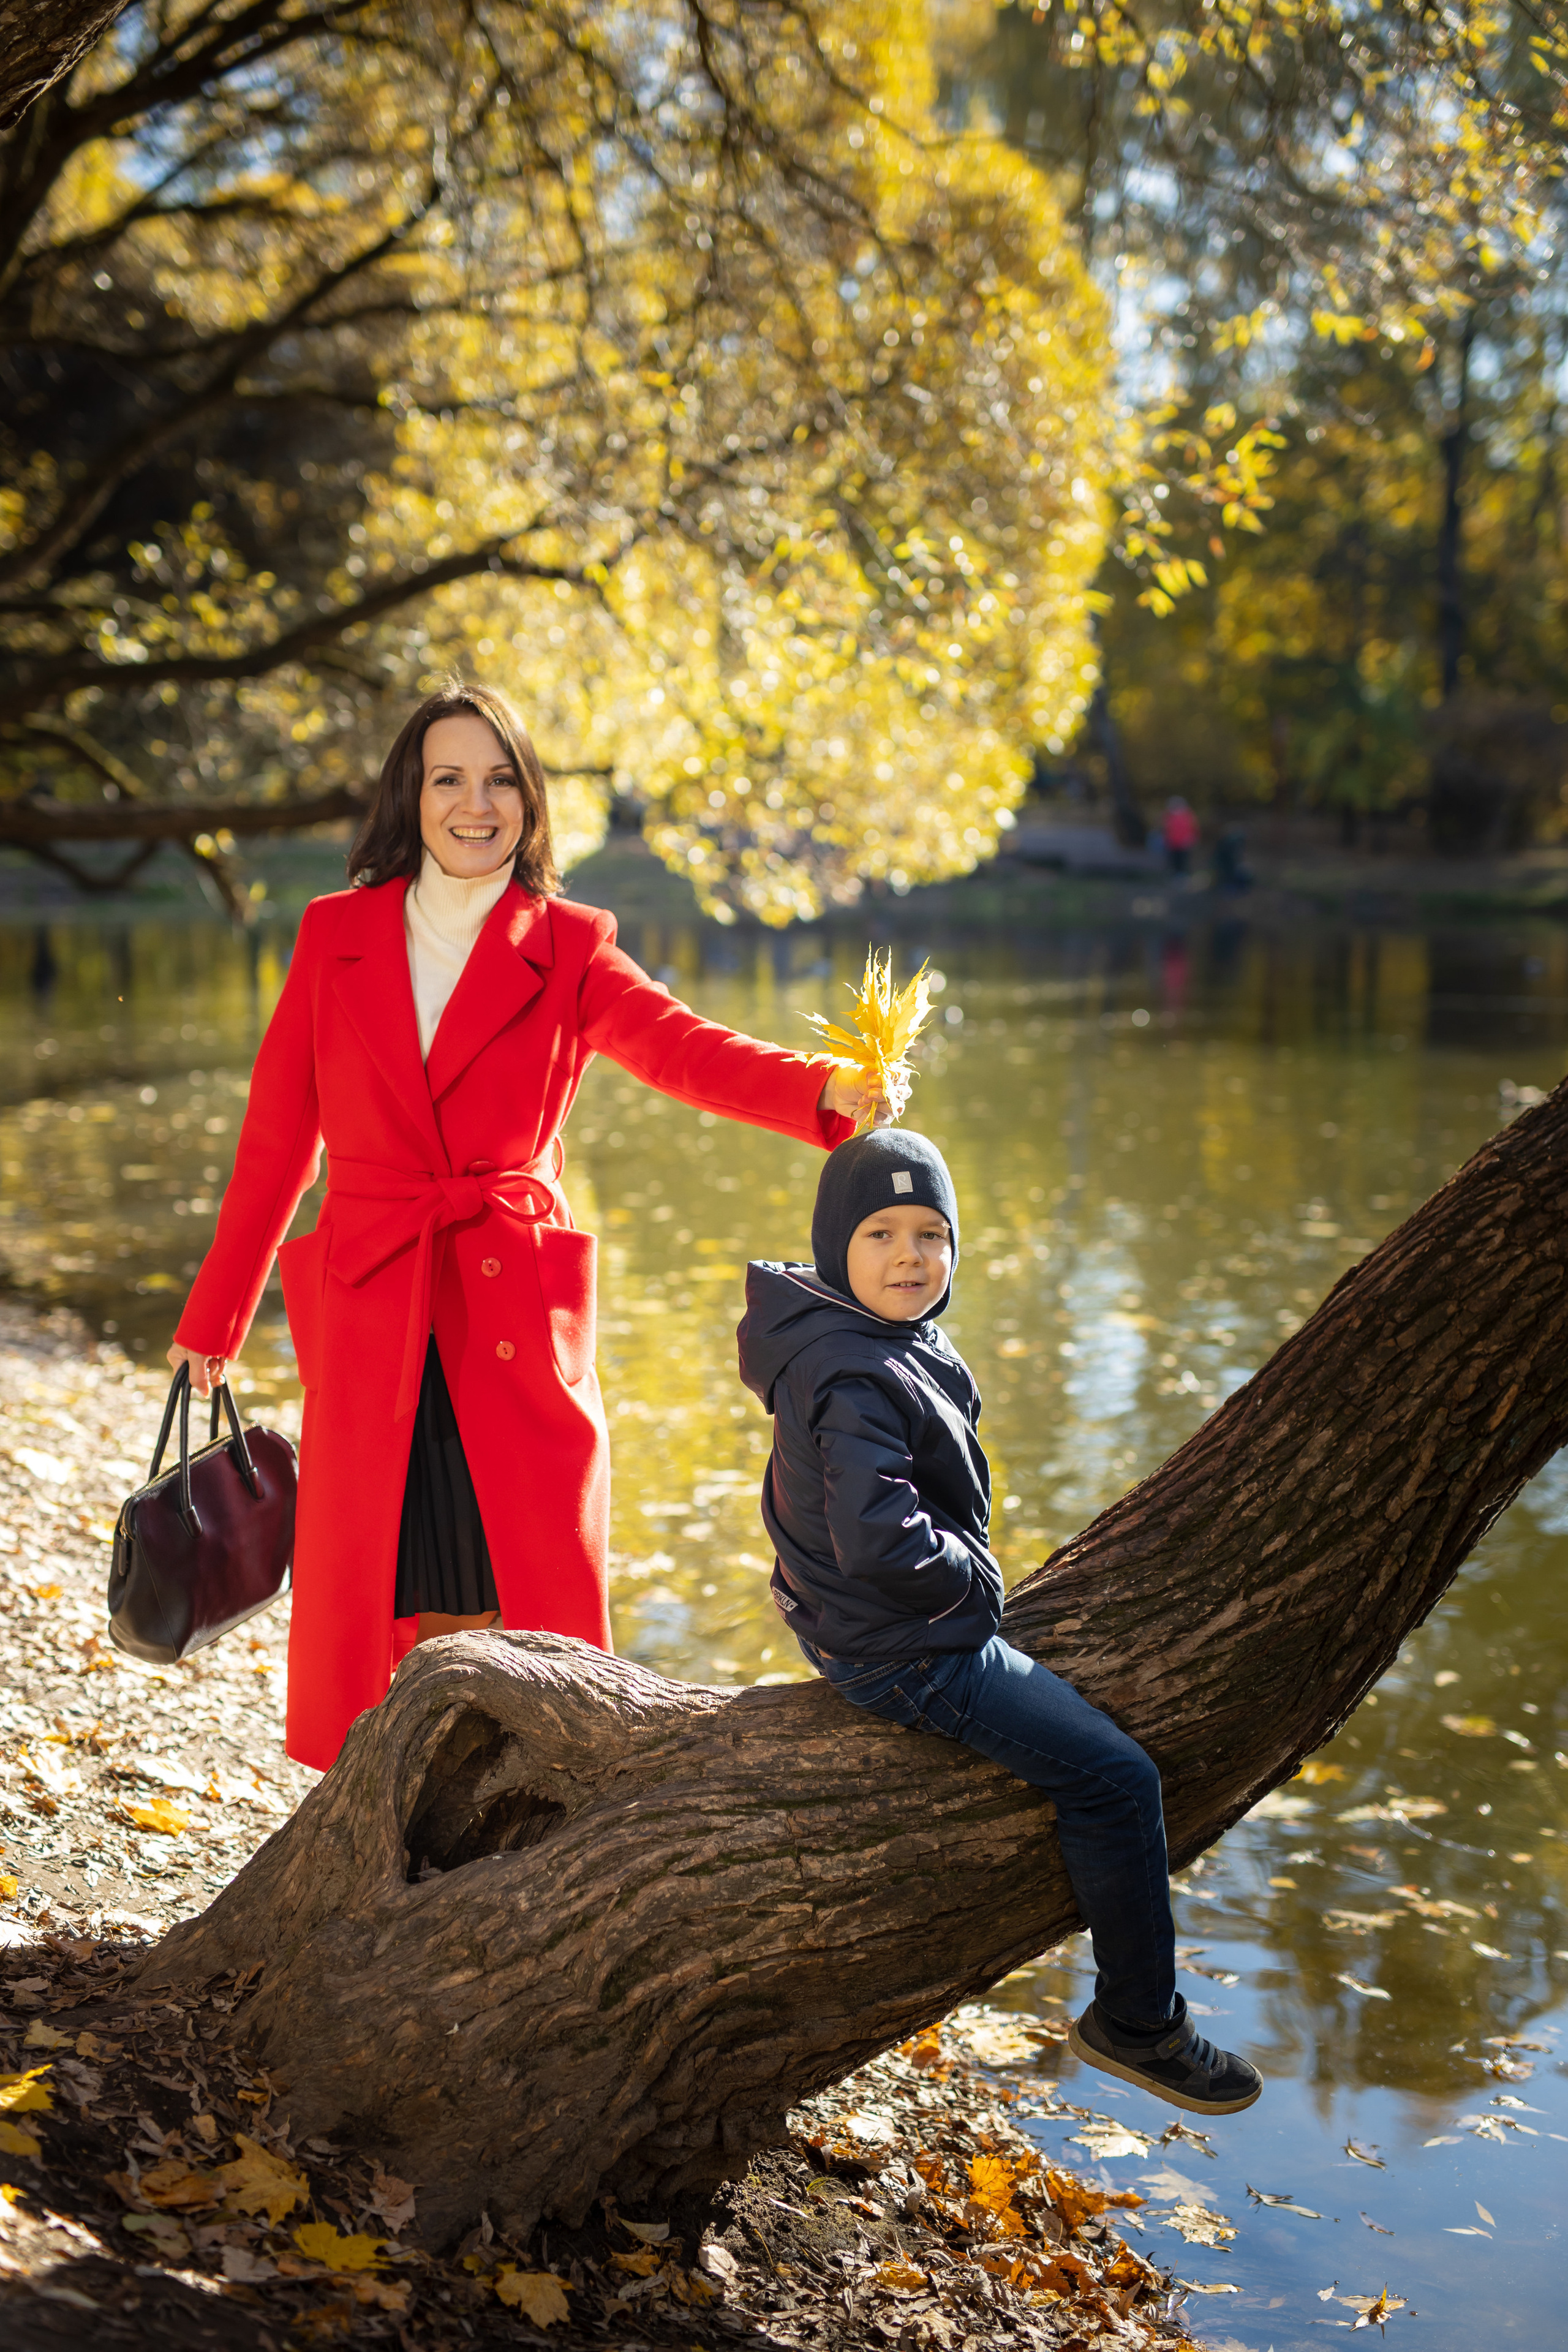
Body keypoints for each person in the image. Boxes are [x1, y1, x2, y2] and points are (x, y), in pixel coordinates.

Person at [167, 680, 883, 1773]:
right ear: (412, 796)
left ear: (530, 801)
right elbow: (277, 1144)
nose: (475, 803)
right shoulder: (335, 936)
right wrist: (216, 1317)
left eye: (500, 779)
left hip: (508, 1300)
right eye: (448, 778)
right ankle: (387, 1810)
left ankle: (518, 1805)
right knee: (389, 1578)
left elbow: (680, 1049)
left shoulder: (571, 944)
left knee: (518, 1578)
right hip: (376, 1290)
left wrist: (821, 1093)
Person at [734, 1129, 1262, 2117]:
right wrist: (976, 1594)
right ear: (833, 1244)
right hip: (904, 1647)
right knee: (1117, 1778)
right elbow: (877, 1538)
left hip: (853, 1617)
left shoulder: (853, 1336)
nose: (909, 1257)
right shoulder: (852, 1372)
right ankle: (1138, 2023)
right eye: (882, 1234)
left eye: (931, 1235)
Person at [1161, 796, 1199, 875]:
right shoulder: (1169, 816)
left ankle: (1184, 875)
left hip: (1184, 842)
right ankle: (1175, 874)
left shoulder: (1188, 815)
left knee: (1184, 860)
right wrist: (1167, 840)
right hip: (1173, 842)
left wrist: (1192, 839)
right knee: (1174, 859)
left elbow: (1194, 828)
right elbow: (1166, 829)